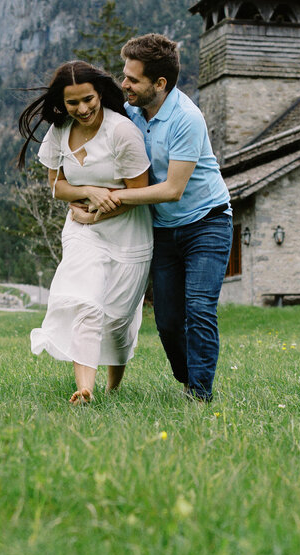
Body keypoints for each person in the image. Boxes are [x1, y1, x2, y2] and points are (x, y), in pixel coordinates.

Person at [77, 32, 232, 402]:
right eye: (124, 75)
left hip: (206, 223)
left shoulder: (186, 119)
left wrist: (113, 197)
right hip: (162, 228)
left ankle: (199, 394)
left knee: (198, 309)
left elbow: (171, 190)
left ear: (159, 84)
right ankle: (187, 379)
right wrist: (78, 189)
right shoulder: (130, 111)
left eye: (133, 79)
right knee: (167, 321)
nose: (124, 84)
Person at [18, 60, 153, 405]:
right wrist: (89, 194)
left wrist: (99, 212)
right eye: (72, 102)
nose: (82, 109)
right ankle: (85, 388)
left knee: (118, 319)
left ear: (100, 94)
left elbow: (138, 192)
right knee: (86, 302)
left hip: (128, 233)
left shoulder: (122, 132)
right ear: (62, 104)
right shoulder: (60, 131)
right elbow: (56, 186)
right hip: (82, 231)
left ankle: (114, 386)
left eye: (88, 99)